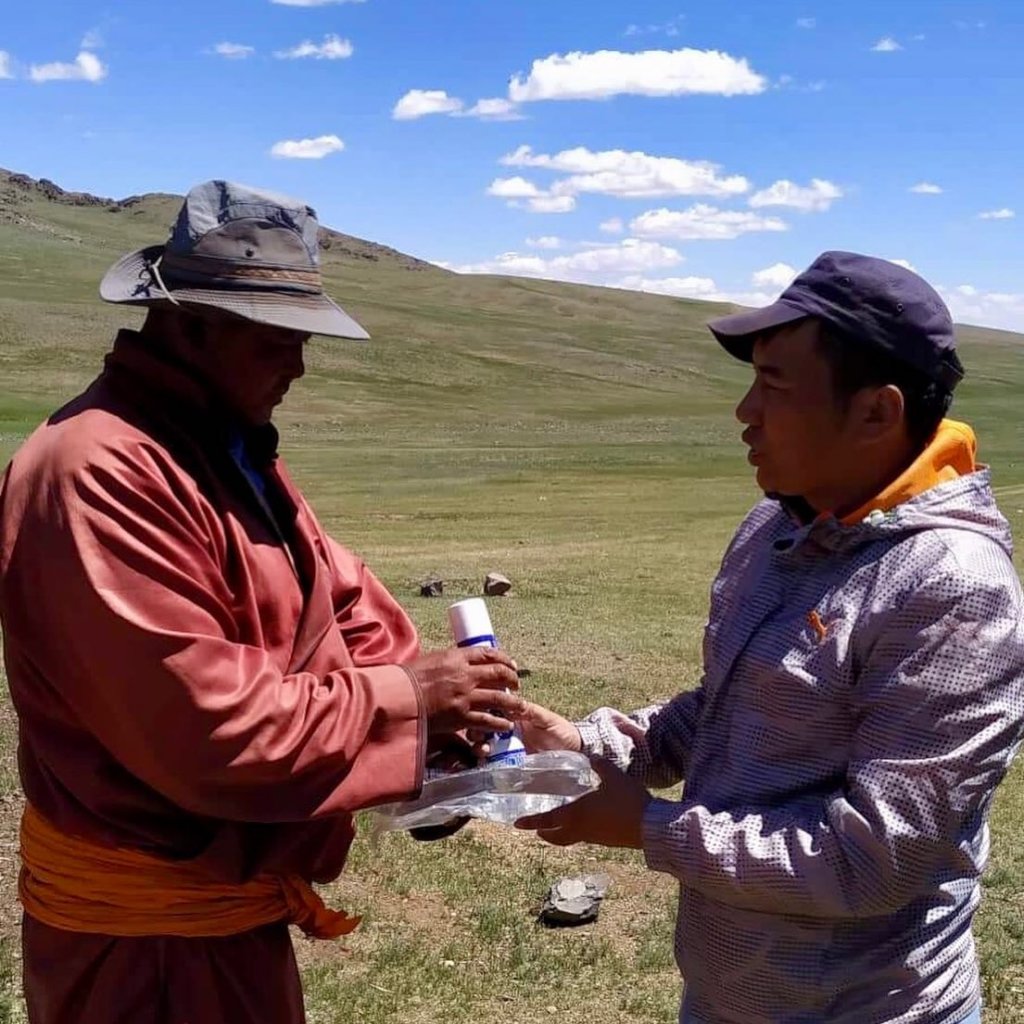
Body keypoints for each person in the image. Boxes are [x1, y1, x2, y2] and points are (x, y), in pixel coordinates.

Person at [0, 180, 522, 1024]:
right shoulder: (98, 471)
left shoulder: (224, 446)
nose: (299, 363)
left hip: (224, 915)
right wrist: (409, 699)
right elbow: (209, 727)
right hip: (149, 947)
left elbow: (339, 602)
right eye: (277, 336)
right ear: (192, 322)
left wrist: (442, 734)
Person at [516, 252, 1024, 1024]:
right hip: (730, 993)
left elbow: (871, 862)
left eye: (776, 386)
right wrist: (589, 746)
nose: (744, 411)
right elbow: (731, 704)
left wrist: (648, 827)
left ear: (875, 414)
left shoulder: (951, 588)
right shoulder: (780, 523)